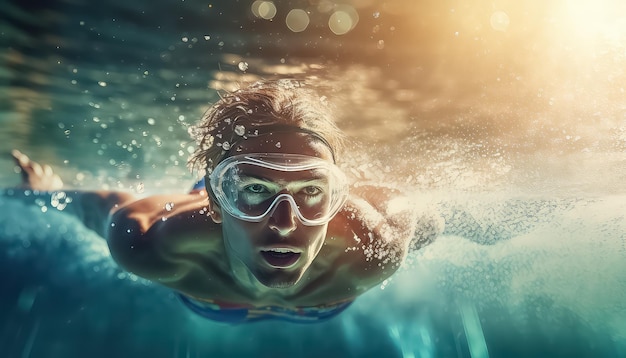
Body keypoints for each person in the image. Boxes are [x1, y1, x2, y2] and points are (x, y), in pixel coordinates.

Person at [7, 79, 440, 323]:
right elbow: (99, 205)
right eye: (254, 189)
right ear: (215, 199)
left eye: (311, 190)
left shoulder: (374, 244)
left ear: (335, 196)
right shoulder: (152, 244)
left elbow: (425, 217)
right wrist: (45, 193)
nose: (286, 223)